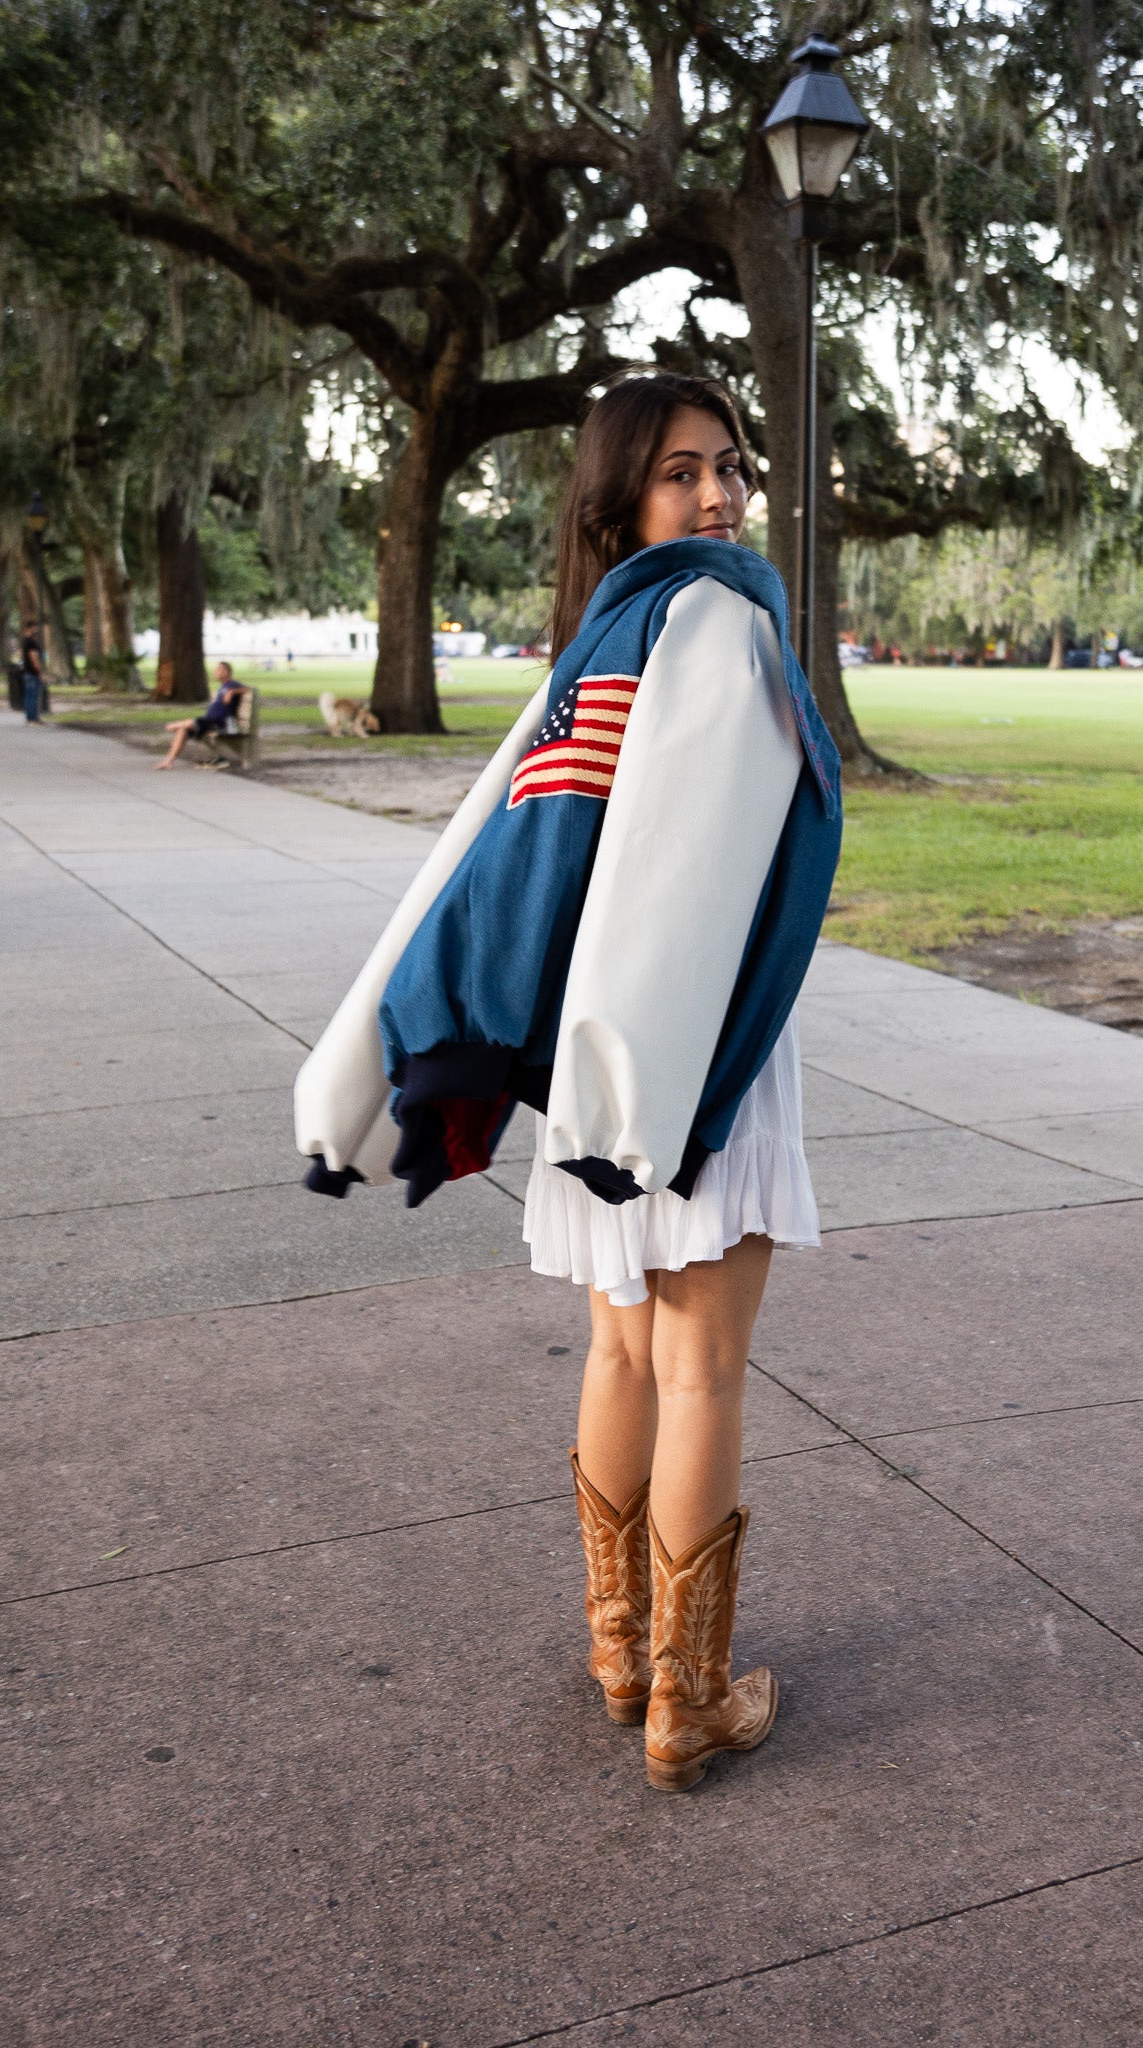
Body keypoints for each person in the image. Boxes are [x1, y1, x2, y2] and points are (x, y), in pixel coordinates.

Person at [294, 370, 842, 1793]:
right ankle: (688, 1698)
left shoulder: (592, 648)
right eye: (680, 472)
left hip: (592, 1062)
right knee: (700, 1365)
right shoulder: (718, 617)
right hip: (686, 1058)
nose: (716, 495)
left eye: (727, 465)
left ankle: (620, 1656)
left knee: (621, 1350)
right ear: (619, 499)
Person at [156, 661, 246, 768]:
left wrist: (232, 692)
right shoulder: (223, 687)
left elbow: (247, 689)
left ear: (226, 672)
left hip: (221, 724)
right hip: (210, 723)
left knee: (188, 724)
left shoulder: (232, 684)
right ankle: (168, 761)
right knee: (183, 730)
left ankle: (175, 725)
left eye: (218, 670)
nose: (215, 672)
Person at [19, 626, 45, 723]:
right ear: (28, 629)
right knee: (33, 696)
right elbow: (34, 659)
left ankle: (29, 717)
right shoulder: (31, 643)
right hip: (32, 673)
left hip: (27, 672)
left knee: (28, 695)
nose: (36, 631)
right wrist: (40, 672)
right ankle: (33, 717)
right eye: (33, 629)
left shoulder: (25, 642)